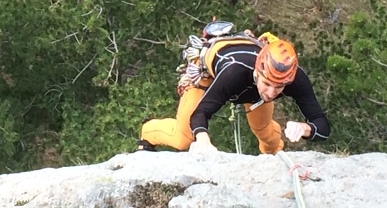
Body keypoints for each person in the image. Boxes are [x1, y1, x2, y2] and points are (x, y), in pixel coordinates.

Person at [139, 23, 330, 155]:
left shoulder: (294, 78)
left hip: (249, 86)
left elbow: (322, 126)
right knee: (184, 138)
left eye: (279, 87)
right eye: (267, 84)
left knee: (266, 135)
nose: (271, 93)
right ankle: (148, 132)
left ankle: (274, 156)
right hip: (207, 75)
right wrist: (203, 139)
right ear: (258, 72)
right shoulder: (234, 73)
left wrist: (305, 128)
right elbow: (200, 113)